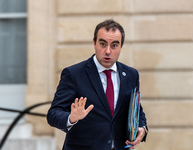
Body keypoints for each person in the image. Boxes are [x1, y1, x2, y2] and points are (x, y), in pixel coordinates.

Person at [47, 19, 148, 150]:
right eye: (102, 44)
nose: (107, 51)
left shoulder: (131, 75)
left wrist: (142, 128)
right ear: (94, 43)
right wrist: (71, 118)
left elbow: (136, 110)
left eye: (114, 45)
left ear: (121, 46)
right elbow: (53, 114)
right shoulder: (73, 74)